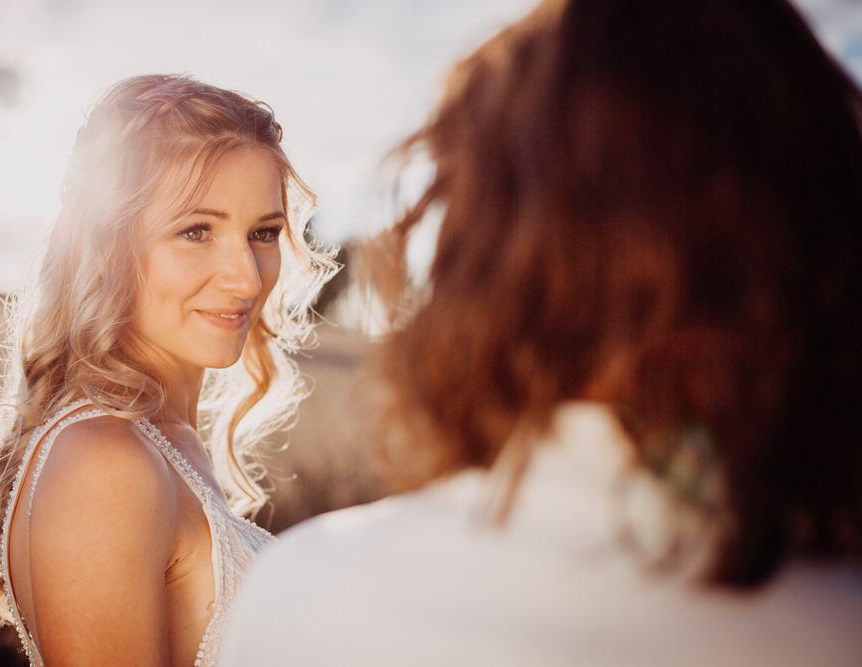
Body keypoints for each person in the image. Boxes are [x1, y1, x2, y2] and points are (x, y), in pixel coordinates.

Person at [218, 0, 862, 664]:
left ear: (481, 256)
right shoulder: (840, 621)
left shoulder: (306, 599)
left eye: (264, 233)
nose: (244, 275)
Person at [0, 74, 336, 666]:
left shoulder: (157, 439)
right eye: (196, 231)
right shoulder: (105, 463)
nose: (247, 278)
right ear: (106, 245)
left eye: (263, 233)